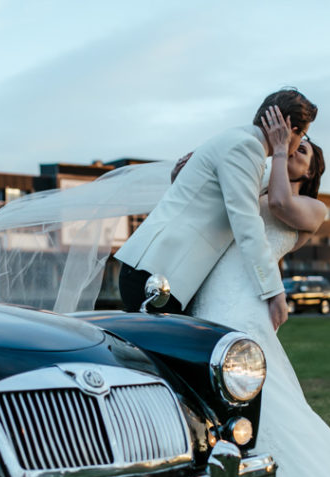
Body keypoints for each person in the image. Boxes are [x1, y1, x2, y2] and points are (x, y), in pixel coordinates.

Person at [187, 109, 330, 477]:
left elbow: (277, 204)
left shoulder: (313, 207)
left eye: (305, 149)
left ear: (311, 170)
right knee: (210, 385)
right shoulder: (255, 181)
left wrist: (277, 151)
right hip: (213, 292)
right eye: (297, 142)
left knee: (255, 390)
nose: (297, 145)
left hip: (244, 302)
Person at [114, 88, 317, 330]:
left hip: (158, 270)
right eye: (303, 134)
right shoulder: (246, 147)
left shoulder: (238, 141)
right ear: (290, 130)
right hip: (158, 274)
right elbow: (247, 224)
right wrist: (274, 292)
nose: (299, 143)